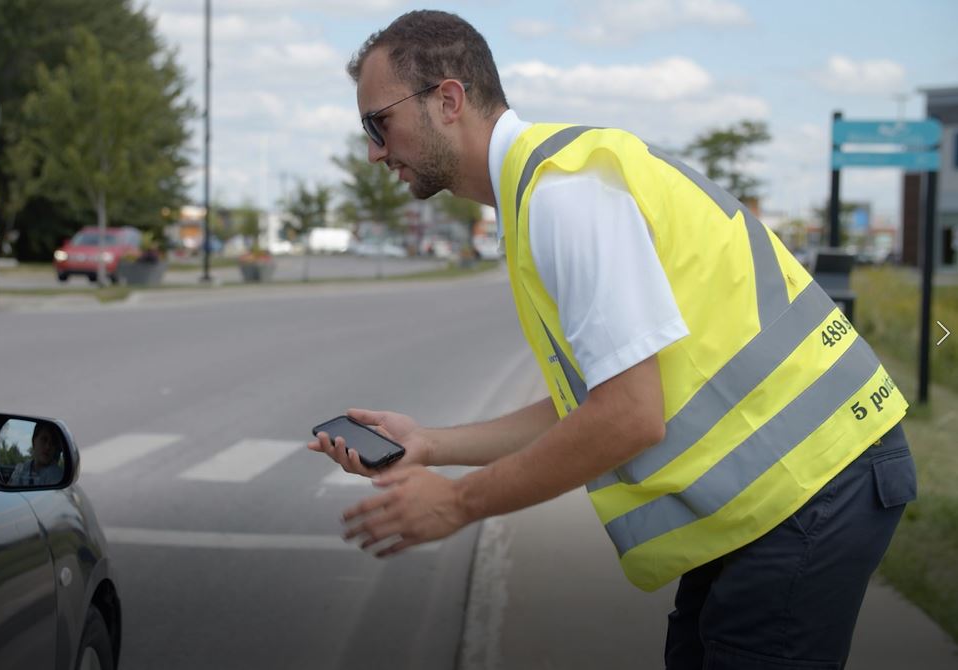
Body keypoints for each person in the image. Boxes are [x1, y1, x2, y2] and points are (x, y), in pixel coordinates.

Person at [308, 10, 917, 669]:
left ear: (448, 100)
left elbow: (628, 417)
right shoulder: (543, 195)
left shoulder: (563, 197)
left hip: (812, 486)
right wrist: (434, 445)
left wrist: (459, 502)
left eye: (378, 123)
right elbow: (600, 406)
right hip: (788, 493)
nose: (374, 151)